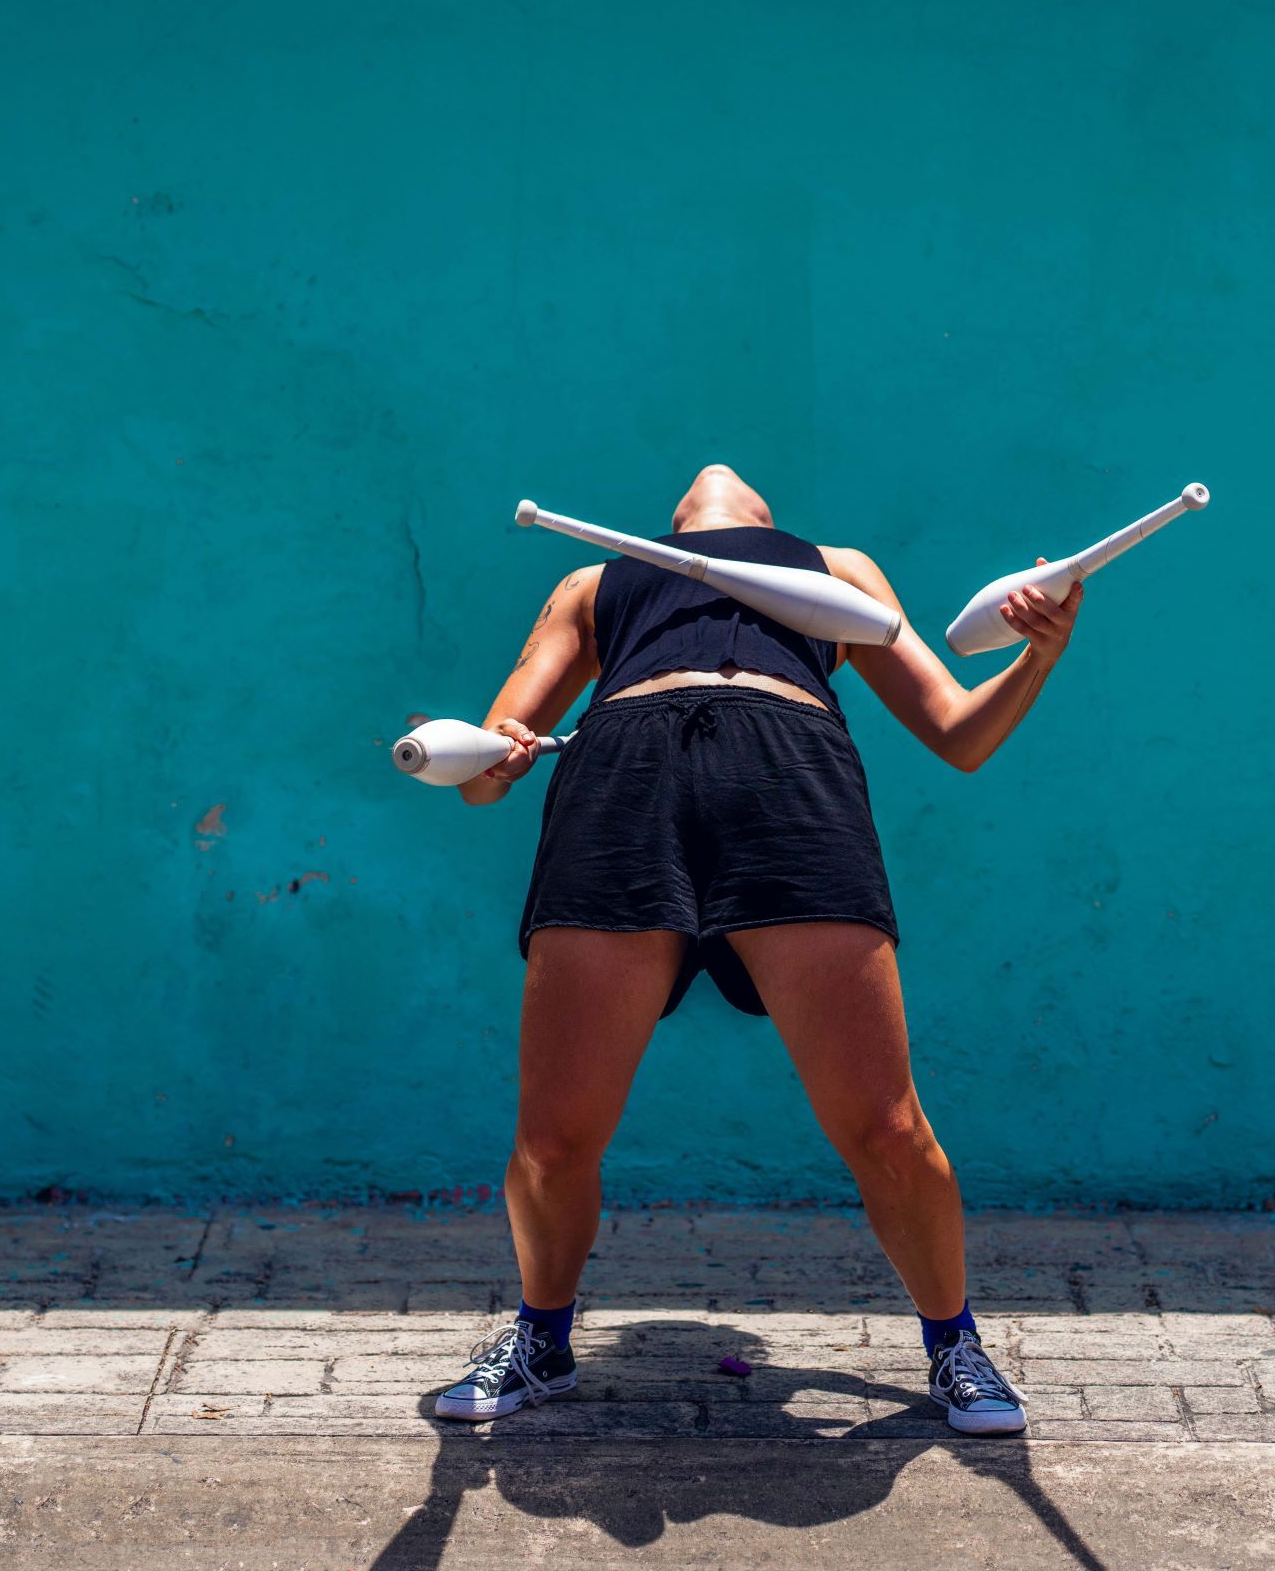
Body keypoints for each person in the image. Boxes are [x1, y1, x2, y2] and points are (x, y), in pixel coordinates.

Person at [433, 464, 1083, 1433]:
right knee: (554, 1137)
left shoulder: (837, 570)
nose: (716, 470)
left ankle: (956, 1347)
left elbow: (958, 731)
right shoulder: (596, 583)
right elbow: (483, 774)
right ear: (676, 520)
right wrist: (499, 756)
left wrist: (1040, 652)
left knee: (887, 1127)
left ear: (769, 522)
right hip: (621, 786)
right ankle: (542, 1341)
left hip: (790, 782)